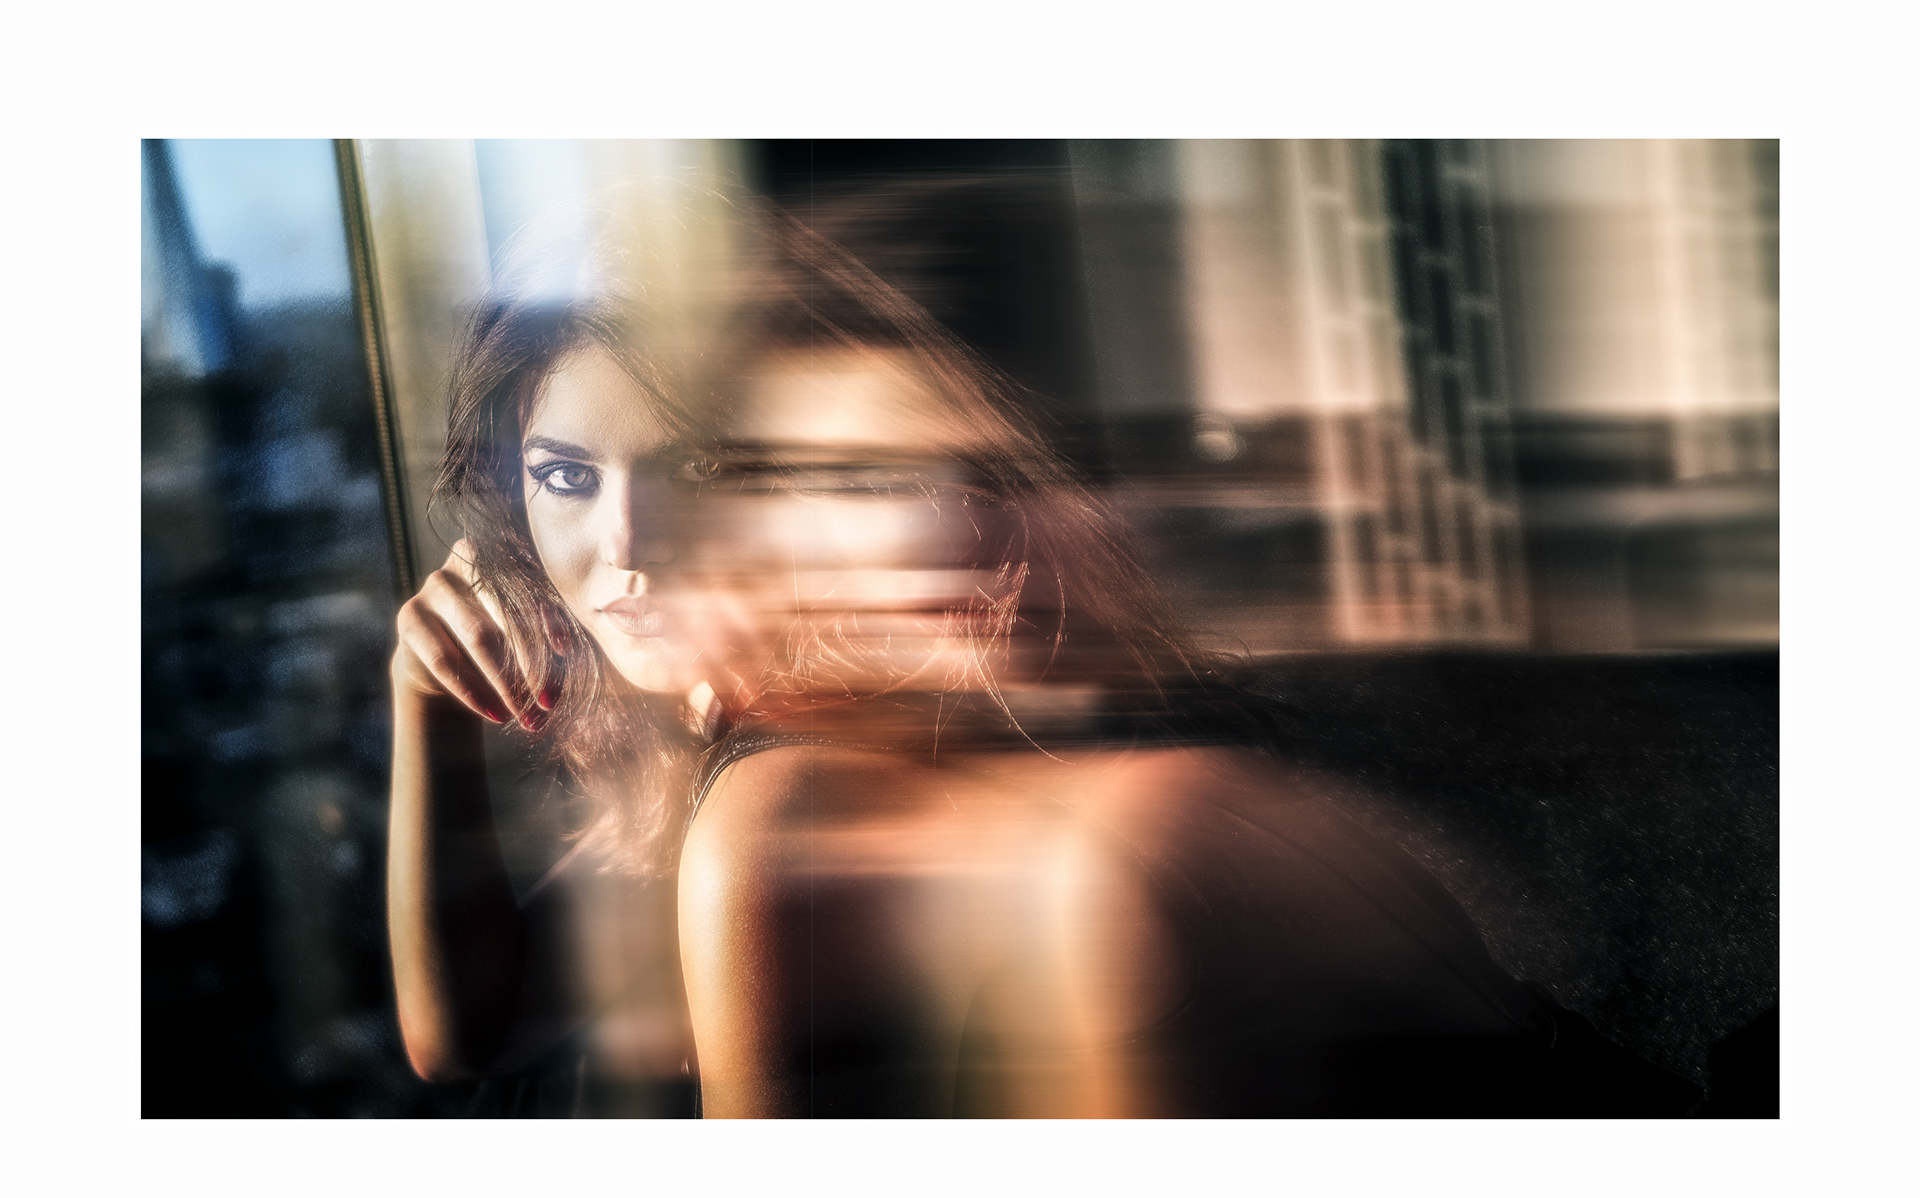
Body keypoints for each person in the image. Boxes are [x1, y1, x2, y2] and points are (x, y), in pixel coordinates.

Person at [389, 195, 1699, 1116]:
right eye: (564, 476)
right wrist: (423, 700)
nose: (626, 546)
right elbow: (467, 1031)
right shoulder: (736, 734)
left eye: (695, 473)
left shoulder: (788, 795)